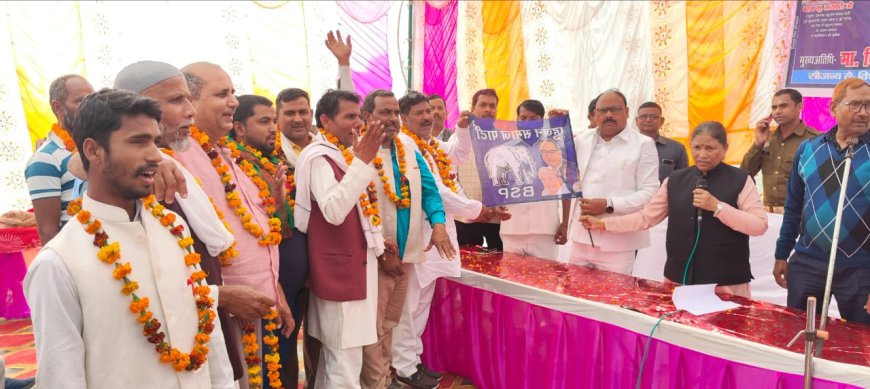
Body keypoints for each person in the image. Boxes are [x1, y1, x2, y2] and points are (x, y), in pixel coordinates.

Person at [24, 88, 234, 388]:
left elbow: (206, 329)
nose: (154, 156)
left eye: (154, 141)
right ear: (93, 151)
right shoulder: (58, 262)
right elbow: (61, 376)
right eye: (138, 142)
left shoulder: (173, 227)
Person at [113, 60, 280, 381]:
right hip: (170, 333)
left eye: (189, 99)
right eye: (177, 100)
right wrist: (220, 295)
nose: (189, 110)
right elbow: (144, 279)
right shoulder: (127, 180)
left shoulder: (187, 156)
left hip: (210, 316)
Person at [174, 62, 290, 388]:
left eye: (233, 92)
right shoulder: (177, 154)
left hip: (257, 302)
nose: (233, 102)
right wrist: (221, 296)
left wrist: (275, 290)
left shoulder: (228, 153)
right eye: (222, 94)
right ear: (190, 101)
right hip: (224, 306)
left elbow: (257, 234)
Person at [393, 91, 507, 388]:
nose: (427, 117)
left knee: (420, 304)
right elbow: (438, 192)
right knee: (410, 304)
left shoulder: (428, 146)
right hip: (418, 235)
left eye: (429, 112)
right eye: (419, 112)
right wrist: (477, 210)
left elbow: (457, 155)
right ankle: (403, 366)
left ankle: (413, 361)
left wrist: (463, 129)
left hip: (434, 235)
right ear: (403, 118)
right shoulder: (404, 145)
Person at [582, 121, 768, 297]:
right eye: (697, 147)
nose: (702, 154)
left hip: (726, 283)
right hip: (679, 279)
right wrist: (602, 224)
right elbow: (646, 218)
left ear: (725, 149)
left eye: (710, 148)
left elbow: (759, 225)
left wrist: (717, 207)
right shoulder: (675, 180)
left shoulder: (740, 179)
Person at [293, 89, 388, 388]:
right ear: (325, 121)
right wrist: (361, 163)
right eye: (349, 117)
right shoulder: (319, 157)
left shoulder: (341, 154)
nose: (357, 123)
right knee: (343, 364)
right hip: (340, 272)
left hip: (354, 267)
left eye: (359, 116)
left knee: (340, 360)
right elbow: (334, 210)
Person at [360, 89, 454, 389]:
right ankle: (377, 379)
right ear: (367, 117)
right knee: (372, 325)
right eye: (383, 113)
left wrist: (438, 225)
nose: (390, 119)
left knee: (398, 317)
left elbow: (429, 190)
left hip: (407, 252)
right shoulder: (357, 150)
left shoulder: (407, 149)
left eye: (393, 113)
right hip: (372, 256)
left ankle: (395, 373)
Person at [773, 78, 870, 324]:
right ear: (833, 107)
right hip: (809, 261)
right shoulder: (808, 150)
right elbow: (793, 206)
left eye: (869, 106)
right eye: (855, 105)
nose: (864, 112)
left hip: (861, 269)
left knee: (860, 344)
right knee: (799, 332)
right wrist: (782, 253)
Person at [230, 94, 306, 385]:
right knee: (264, 359)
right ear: (239, 128)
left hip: (290, 280)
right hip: (268, 283)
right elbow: (255, 226)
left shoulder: (271, 160)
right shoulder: (237, 165)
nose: (273, 127)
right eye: (264, 121)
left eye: (273, 120)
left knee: (284, 355)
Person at [570, 89, 659, 275]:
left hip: (619, 242)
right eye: (602, 110)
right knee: (574, 295)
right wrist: (556, 124)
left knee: (613, 297)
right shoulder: (580, 140)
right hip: (581, 236)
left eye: (615, 109)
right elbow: (552, 158)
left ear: (626, 112)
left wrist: (608, 205)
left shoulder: (643, 144)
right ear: (595, 114)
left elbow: (649, 191)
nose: (608, 115)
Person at [24, 74, 94, 243]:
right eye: (80, 101)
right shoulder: (44, 161)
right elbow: (48, 233)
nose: (90, 107)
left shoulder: (96, 148)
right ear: (58, 108)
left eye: (92, 100)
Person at [499, 100, 572, 261]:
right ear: (517, 121)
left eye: (533, 119)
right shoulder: (504, 150)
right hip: (512, 228)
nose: (527, 123)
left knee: (545, 280)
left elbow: (567, 188)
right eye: (523, 118)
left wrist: (565, 224)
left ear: (542, 121)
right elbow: (498, 188)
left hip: (545, 229)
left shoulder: (555, 149)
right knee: (511, 282)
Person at [277, 30, 356, 169]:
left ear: (312, 114)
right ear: (277, 117)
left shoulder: (326, 144)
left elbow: (346, 105)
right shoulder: (271, 152)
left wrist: (344, 63)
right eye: (290, 113)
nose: (298, 119)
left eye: (303, 112)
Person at [741, 89, 820, 214]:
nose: (777, 111)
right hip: (768, 212)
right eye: (774, 107)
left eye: (783, 106)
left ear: (799, 107)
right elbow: (745, 172)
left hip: (801, 213)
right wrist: (758, 144)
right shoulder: (768, 138)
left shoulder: (815, 139)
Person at [455, 89, 504, 250]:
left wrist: (495, 207)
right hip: (466, 216)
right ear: (473, 108)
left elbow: (508, 179)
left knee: (498, 264)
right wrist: (471, 208)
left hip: (496, 217)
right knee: (467, 264)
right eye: (483, 105)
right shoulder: (460, 136)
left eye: (492, 106)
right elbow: (450, 178)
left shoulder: (503, 139)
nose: (488, 109)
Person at [635, 101, 689, 183]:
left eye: (654, 117)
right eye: (643, 116)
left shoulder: (677, 148)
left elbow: (683, 179)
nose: (648, 120)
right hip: (632, 195)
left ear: (662, 121)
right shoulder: (626, 146)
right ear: (636, 120)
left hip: (666, 195)